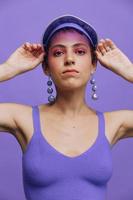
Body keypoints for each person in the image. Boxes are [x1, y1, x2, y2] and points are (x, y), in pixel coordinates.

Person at [0, 14, 133, 200]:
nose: (69, 59)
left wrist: (130, 71)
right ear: (46, 67)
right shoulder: (23, 119)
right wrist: (7, 68)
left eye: (80, 52)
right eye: (58, 53)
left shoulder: (114, 123)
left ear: (94, 64)